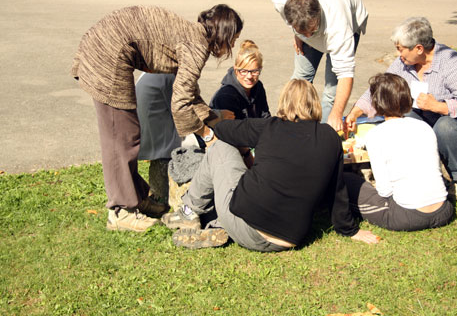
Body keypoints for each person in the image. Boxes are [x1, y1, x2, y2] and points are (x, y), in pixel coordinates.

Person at [71, 4, 243, 232]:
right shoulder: (196, 45)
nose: (232, 46)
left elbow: (188, 92)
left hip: (106, 45)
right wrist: (208, 135)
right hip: (107, 54)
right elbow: (180, 104)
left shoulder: (192, 35)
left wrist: (211, 117)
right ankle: (120, 211)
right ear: (224, 33)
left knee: (128, 133)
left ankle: (138, 199)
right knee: (120, 137)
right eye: (233, 39)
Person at [162, 79, 380, 251]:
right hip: (290, 238)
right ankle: (215, 225)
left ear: (284, 102)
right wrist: (350, 230)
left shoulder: (269, 126)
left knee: (220, 148)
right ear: (314, 104)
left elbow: (222, 132)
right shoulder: (330, 137)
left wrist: (215, 120)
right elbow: (337, 190)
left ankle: (189, 211)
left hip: (247, 225)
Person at [345, 17, 457, 200]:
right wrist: (356, 111)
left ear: (419, 48)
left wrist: (439, 106)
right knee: (401, 116)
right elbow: (382, 88)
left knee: (445, 127)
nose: (398, 55)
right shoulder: (404, 63)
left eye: (401, 49)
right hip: (424, 119)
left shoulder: (452, 63)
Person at [344, 73, 454, 231]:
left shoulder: (376, 135)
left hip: (407, 216)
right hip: (444, 210)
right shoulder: (424, 127)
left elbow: (384, 190)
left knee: (346, 180)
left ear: (376, 103)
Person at [271, 0, 369, 132]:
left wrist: (336, 114)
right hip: (309, 20)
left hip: (348, 17)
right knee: (300, 79)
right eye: (303, 31)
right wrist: (298, 34)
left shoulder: (338, 25)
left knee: (331, 93)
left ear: (318, 15)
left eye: (312, 30)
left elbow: (345, 74)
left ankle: (321, 136)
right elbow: (298, 24)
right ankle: (289, 131)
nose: (309, 36)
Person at [209, 39, 271, 167]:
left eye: (254, 71)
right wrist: (250, 158)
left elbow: (265, 118)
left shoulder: (258, 87)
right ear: (236, 69)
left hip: (251, 143)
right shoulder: (226, 96)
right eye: (244, 71)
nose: (249, 76)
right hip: (231, 148)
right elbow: (231, 135)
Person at [135, 72, 182, 206]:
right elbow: (182, 110)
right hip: (158, 141)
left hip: (145, 135)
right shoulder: (168, 76)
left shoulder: (150, 73)